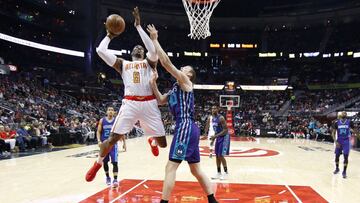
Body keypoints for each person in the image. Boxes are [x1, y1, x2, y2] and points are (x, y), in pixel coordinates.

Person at [86, 7, 167, 182]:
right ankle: (98, 163)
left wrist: (138, 26)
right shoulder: (123, 64)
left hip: (149, 104)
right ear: (131, 54)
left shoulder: (149, 63)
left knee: (163, 144)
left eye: (141, 47)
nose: (139, 47)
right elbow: (100, 51)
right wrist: (109, 35)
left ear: (143, 53)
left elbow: (153, 50)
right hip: (130, 104)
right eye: (136, 47)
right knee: (111, 140)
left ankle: (152, 140)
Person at [147, 24, 218, 203]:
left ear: (189, 75)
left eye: (185, 68)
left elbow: (166, 63)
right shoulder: (175, 88)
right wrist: (153, 83)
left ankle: (164, 202)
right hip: (188, 128)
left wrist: (155, 39)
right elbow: (161, 100)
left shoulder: (186, 82)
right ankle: (212, 200)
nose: (182, 69)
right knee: (195, 170)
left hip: (185, 126)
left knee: (170, 167)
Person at [205, 106, 230, 180]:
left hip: (224, 137)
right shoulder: (212, 119)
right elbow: (216, 129)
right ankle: (219, 172)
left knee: (221, 155)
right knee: (216, 155)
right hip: (218, 136)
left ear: (218, 109)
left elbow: (225, 130)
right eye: (212, 108)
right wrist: (213, 139)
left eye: (215, 108)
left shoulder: (221, 118)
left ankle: (226, 172)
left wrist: (215, 136)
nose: (213, 110)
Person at [97, 106, 119, 188]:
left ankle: (115, 179)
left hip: (113, 145)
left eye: (112, 110)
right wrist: (99, 140)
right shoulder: (102, 120)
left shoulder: (116, 121)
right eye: (109, 110)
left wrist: (124, 142)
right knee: (105, 162)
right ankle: (107, 177)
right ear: (106, 112)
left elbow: (120, 132)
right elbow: (98, 131)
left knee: (115, 162)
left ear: (114, 112)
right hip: (104, 145)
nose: (110, 111)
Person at [331, 112, 358, 178]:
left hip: (346, 141)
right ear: (340, 115)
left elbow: (355, 130)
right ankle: (337, 168)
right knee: (337, 156)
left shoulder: (350, 122)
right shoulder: (336, 122)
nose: (344, 114)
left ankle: (344, 171)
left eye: (345, 113)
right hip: (339, 141)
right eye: (343, 113)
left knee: (346, 157)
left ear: (346, 115)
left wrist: (355, 134)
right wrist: (335, 141)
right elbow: (333, 133)